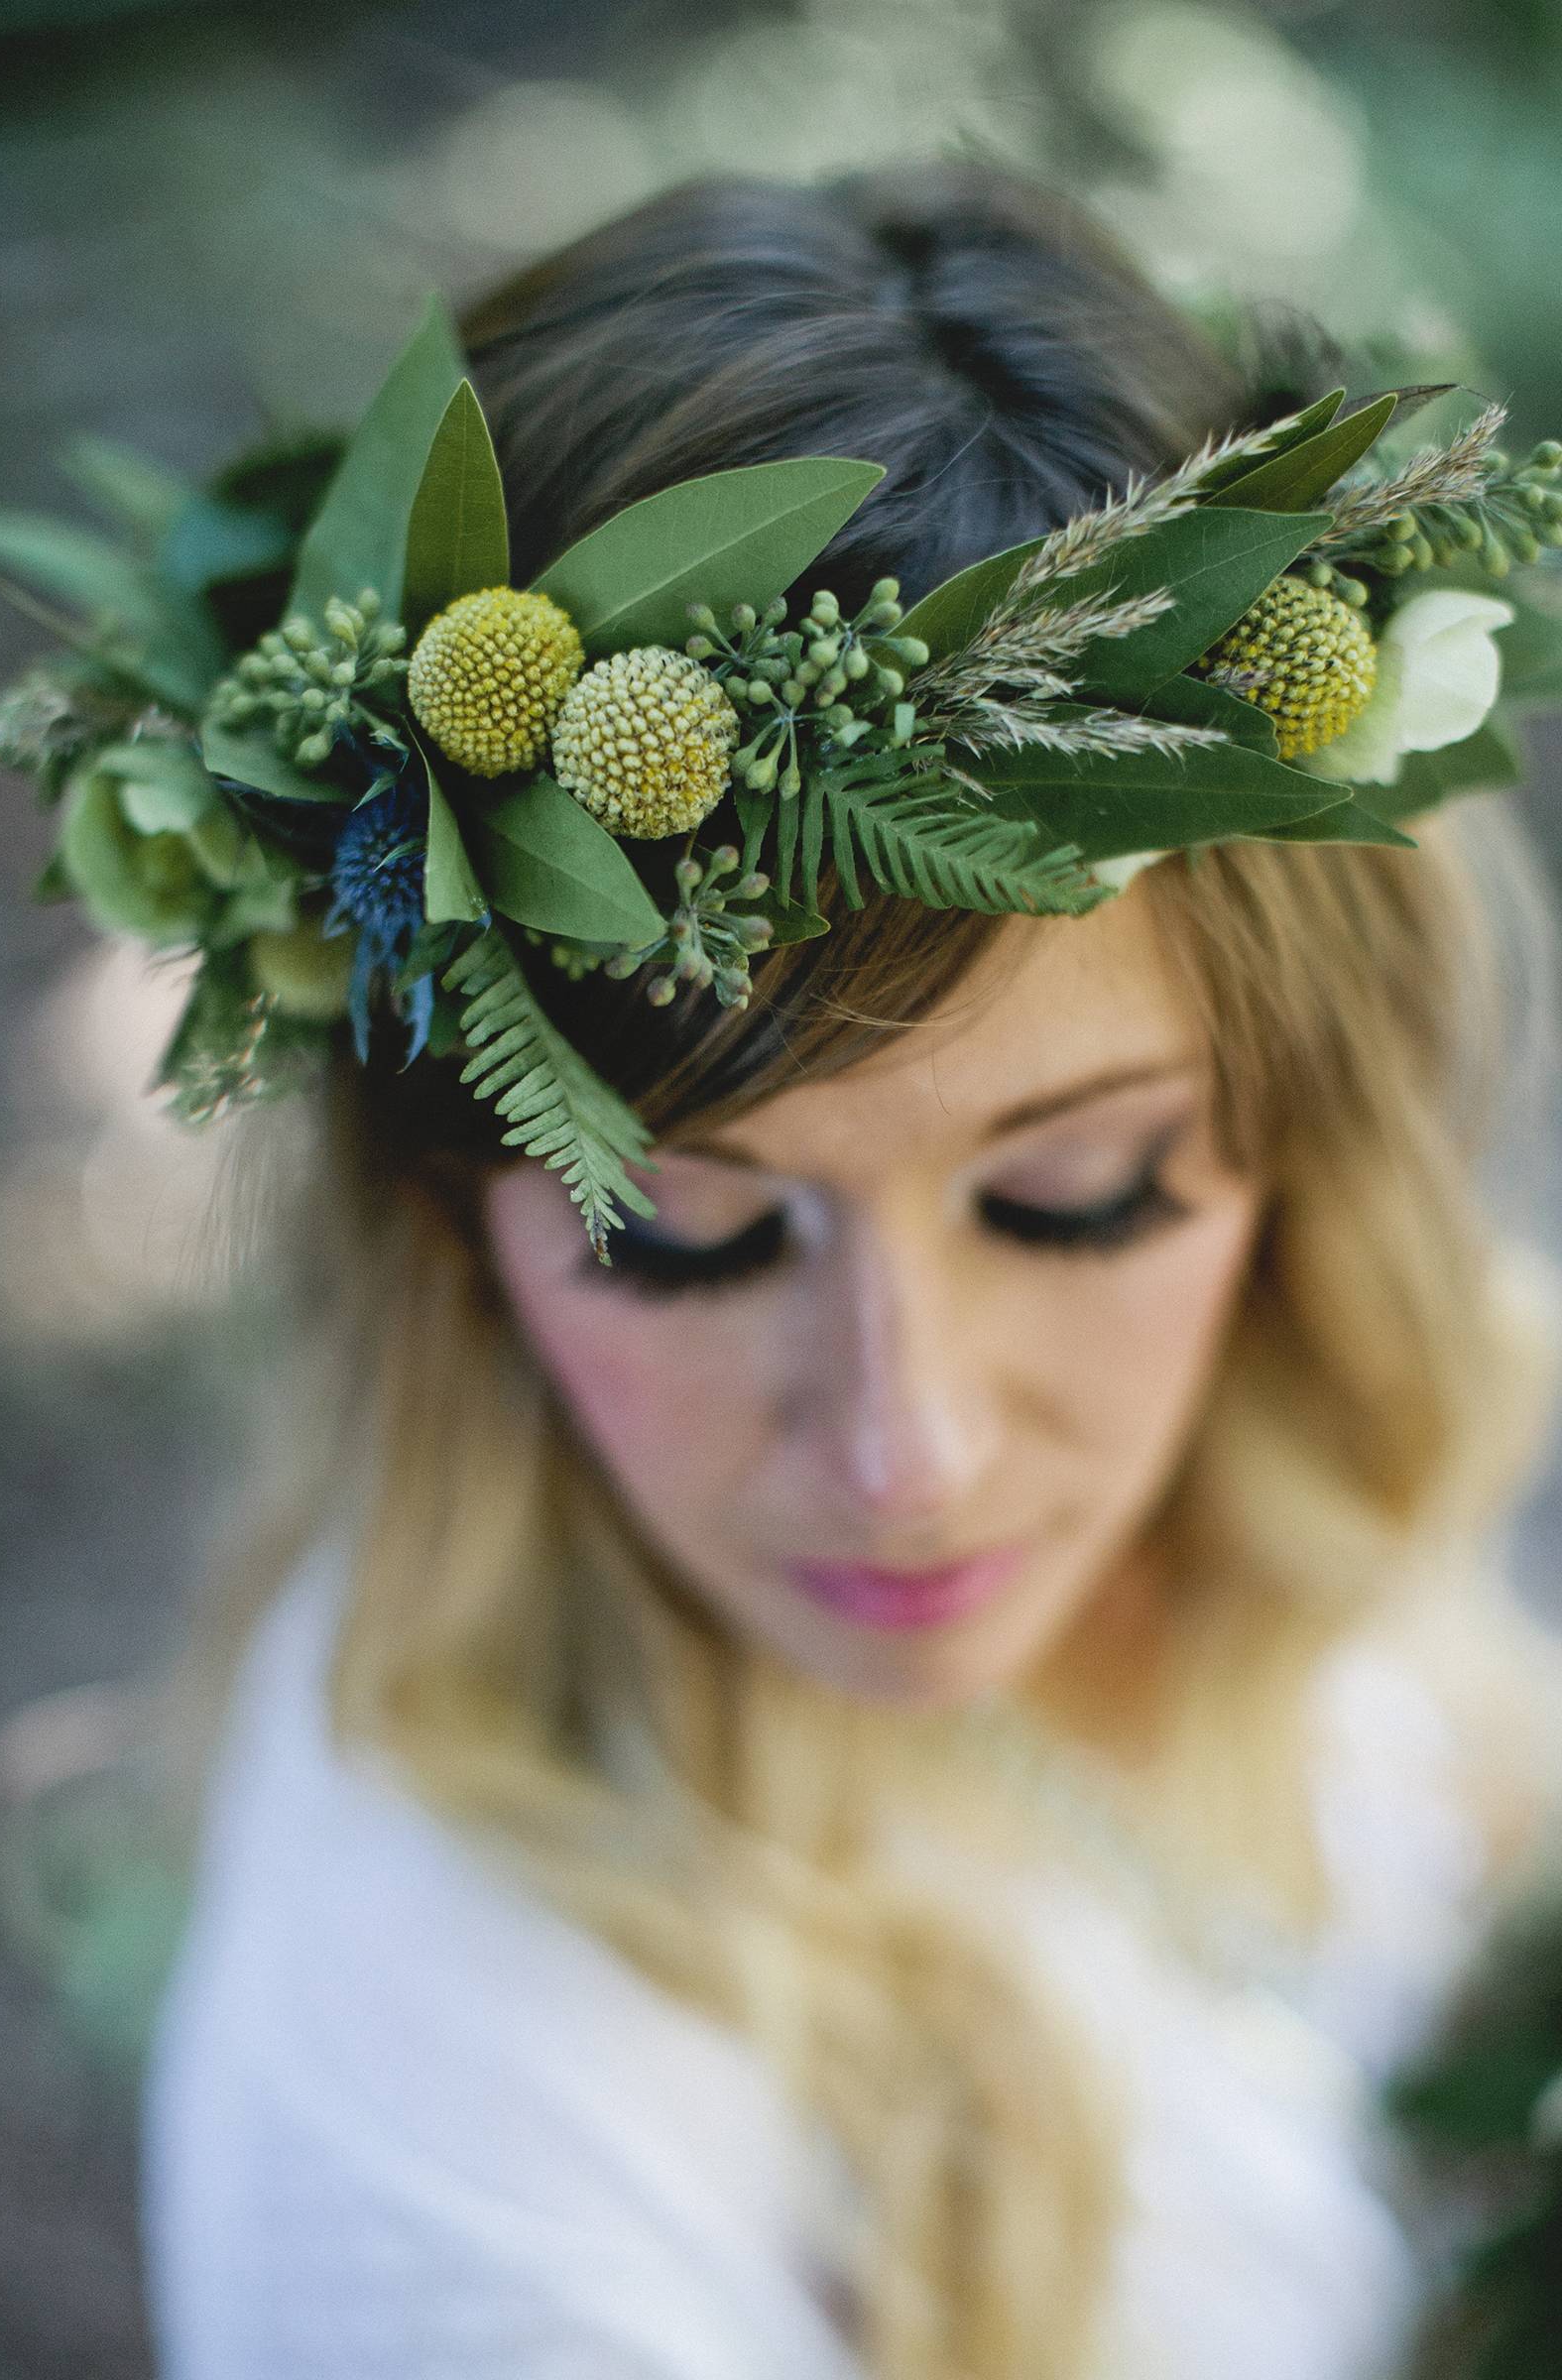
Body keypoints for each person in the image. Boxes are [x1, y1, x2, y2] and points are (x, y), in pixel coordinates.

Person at [91, 166, 1562, 2375]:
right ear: (449, 1231)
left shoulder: (1278, 1511)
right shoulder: (455, 2158)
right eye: (676, 1233)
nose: (906, 1449)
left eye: (1073, 1198)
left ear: (1301, 1147)